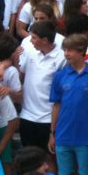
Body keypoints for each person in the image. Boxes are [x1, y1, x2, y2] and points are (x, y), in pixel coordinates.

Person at [49, 33, 88, 175]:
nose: (66, 54)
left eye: (70, 50)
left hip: (87, 135)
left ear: (81, 52)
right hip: (63, 135)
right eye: (64, 50)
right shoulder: (60, 76)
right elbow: (56, 106)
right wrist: (52, 133)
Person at [19, 19, 66, 151]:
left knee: (49, 159)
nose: (30, 41)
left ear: (45, 40)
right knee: (29, 157)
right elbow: (20, 76)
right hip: (27, 115)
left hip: (48, 118)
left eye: (33, 38)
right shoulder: (29, 52)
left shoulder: (62, 58)